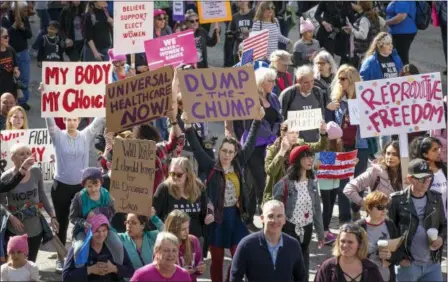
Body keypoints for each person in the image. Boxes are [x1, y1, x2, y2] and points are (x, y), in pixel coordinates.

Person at [182, 108, 263, 282]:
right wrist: (187, 126)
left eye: (230, 152)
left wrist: (257, 120)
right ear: (219, 151)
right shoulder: (210, 166)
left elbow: (250, 143)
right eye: (224, 151)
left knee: (239, 255)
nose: (227, 155)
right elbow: (196, 148)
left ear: (235, 154)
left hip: (236, 215)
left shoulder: (239, 164)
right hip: (217, 219)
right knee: (217, 260)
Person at [45, 114, 104, 272]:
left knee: (84, 222)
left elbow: (99, 120)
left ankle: (85, 255)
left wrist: (105, 99)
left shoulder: (85, 135)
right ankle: (60, 257)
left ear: (79, 121)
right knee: (62, 223)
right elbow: (49, 119)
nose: (71, 122)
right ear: (64, 121)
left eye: (74, 119)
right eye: (68, 119)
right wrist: (45, 93)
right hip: (61, 187)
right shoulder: (57, 135)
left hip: (80, 188)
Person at [388, 158, 446, 282]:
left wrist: (441, 238)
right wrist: (399, 259)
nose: (426, 182)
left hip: (432, 264)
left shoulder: (436, 198)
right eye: (421, 178)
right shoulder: (397, 200)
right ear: (410, 179)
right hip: (408, 264)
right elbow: (388, 231)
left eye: (428, 177)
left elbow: (444, 224)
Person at [235, 67, 282, 218]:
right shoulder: (250, 98)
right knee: (259, 180)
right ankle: (261, 215)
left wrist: (275, 133)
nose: (274, 83)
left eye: (274, 80)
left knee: (268, 180)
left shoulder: (273, 97)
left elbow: (278, 118)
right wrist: (270, 134)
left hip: (271, 144)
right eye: (271, 81)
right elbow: (249, 124)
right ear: (261, 82)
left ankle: (260, 213)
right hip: (254, 145)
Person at [272, 145, 324, 281]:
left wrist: (320, 233)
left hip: (307, 230)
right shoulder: (284, 184)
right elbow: (273, 210)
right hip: (289, 230)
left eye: (311, 156)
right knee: (288, 267)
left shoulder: (312, 182)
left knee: (303, 269)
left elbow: (317, 209)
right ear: (297, 160)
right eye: (306, 157)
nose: (309, 160)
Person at [0, 143, 59, 262]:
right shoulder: (6, 177)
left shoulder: (36, 171)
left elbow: (42, 194)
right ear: (12, 158)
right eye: (21, 154)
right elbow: (1, 204)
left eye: (28, 153)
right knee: (15, 262)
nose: (25, 156)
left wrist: (52, 216)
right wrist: (11, 218)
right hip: (15, 229)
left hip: (35, 228)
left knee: (31, 261)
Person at [331, 65, 371, 223]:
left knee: (358, 181)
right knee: (342, 182)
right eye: (338, 79)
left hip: (359, 145)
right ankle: (344, 218)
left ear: (352, 80)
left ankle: (355, 209)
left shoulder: (364, 99)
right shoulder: (338, 100)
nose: (339, 82)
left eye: (343, 79)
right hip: (342, 146)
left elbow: (370, 124)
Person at [230, 200, 306, 282]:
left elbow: (301, 277)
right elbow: (235, 277)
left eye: (279, 216)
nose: (275, 220)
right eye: (270, 216)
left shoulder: (293, 245)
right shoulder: (246, 245)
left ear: (284, 219)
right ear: (262, 218)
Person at [263, 121, 328, 203]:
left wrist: (322, 133)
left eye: (297, 133)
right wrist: (282, 151)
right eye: (291, 132)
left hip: (296, 193)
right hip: (278, 195)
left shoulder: (299, 144)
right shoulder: (272, 149)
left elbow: (319, 147)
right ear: (283, 133)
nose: (295, 136)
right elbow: (271, 172)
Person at [62, 214, 135, 281]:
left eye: (104, 230)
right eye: (97, 231)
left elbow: (131, 270)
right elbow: (66, 277)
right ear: (89, 232)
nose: (101, 234)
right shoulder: (80, 248)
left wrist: (114, 268)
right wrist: (89, 270)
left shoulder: (115, 247)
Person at [154, 157, 207, 240]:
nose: (174, 177)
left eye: (179, 175)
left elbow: (204, 213)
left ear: (188, 174)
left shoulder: (199, 188)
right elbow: (154, 215)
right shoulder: (164, 189)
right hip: (171, 241)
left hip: (195, 240)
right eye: (172, 174)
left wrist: (210, 214)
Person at [279, 65, 333, 142]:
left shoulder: (317, 92)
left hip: (315, 142)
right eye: (306, 82)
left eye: (312, 81)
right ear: (298, 81)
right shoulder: (288, 94)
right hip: (295, 143)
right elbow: (280, 119)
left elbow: (321, 114)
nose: (310, 85)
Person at [314, 223, 384, 282]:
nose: (345, 245)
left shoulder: (371, 269)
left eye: (350, 242)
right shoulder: (327, 267)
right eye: (342, 241)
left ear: (359, 244)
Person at [356, 191, 401, 282]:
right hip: (364, 277)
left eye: (386, 207)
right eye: (380, 207)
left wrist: (391, 256)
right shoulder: (359, 227)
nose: (385, 211)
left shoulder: (390, 224)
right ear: (369, 208)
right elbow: (351, 254)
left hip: (386, 277)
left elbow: (399, 250)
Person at [344, 140, 403, 207]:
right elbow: (348, 188)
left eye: (395, 154)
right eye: (388, 153)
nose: (390, 157)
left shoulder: (407, 173)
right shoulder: (375, 171)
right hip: (381, 216)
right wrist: (364, 203)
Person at [314, 121, 343, 245]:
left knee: (330, 206)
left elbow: (342, 162)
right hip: (325, 182)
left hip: (335, 181)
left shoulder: (337, 147)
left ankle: (326, 228)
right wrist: (317, 165)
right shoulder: (321, 149)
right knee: (327, 206)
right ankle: (324, 231)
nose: (338, 141)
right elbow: (315, 164)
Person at [2, 1, 31, 110]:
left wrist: (23, 27)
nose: (26, 12)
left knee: (24, 78)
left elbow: (29, 35)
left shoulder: (25, 18)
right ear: (16, 11)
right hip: (9, 52)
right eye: (24, 10)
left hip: (23, 52)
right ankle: (9, 102)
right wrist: (14, 26)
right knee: (8, 79)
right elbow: (5, 36)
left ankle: (23, 101)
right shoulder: (5, 19)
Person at [409, 137, 447, 215]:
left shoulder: (444, 169)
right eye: (435, 150)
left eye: (439, 148)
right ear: (425, 154)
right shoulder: (419, 174)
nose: (439, 152)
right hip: (428, 219)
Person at [164, 210, 205, 282]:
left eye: (188, 227)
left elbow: (199, 263)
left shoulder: (193, 240)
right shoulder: (163, 246)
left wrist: (200, 268)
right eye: (183, 229)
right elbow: (159, 273)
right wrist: (180, 273)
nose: (187, 232)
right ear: (173, 229)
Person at [342, 1, 381, 68]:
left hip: (364, 52)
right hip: (373, 49)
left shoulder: (364, 19)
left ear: (360, 6)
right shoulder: (375, 16)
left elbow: (362, 36)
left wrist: (352, 30)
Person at [385, 1, 417, 65]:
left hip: (403, 32)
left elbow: (401, 16)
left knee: (401, 58)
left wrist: (386, 22)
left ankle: (405, 74)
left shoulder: (403, 2)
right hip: (401, 32)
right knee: (398, 56)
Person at [312, 50, 337, 123]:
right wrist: (326, 105)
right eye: (317, 63)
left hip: (337, 114)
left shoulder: (337, 79)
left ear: (330, 64)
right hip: (321, 116)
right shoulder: (313, 81)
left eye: (322, 63)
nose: (319, 66)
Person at [0, 28, 20, 99]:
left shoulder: (10, 49)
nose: (7, 38)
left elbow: (15, 64)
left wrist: (16, 71)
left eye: (8, 36)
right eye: (5, 37)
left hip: (11, 86)